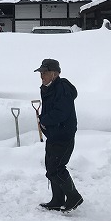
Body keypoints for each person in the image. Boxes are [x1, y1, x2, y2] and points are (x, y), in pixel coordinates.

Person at [34, 58, 83, 212]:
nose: (42, 76)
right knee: (50, 166)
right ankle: (57, 199)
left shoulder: (62, 88)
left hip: (63, 135)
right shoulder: (47, 88)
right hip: (53, 134)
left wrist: (44, 119)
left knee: (57, 167)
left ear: (54, 74)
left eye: (45, 72)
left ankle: (74, 197)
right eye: (41, 72)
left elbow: (61, 112)